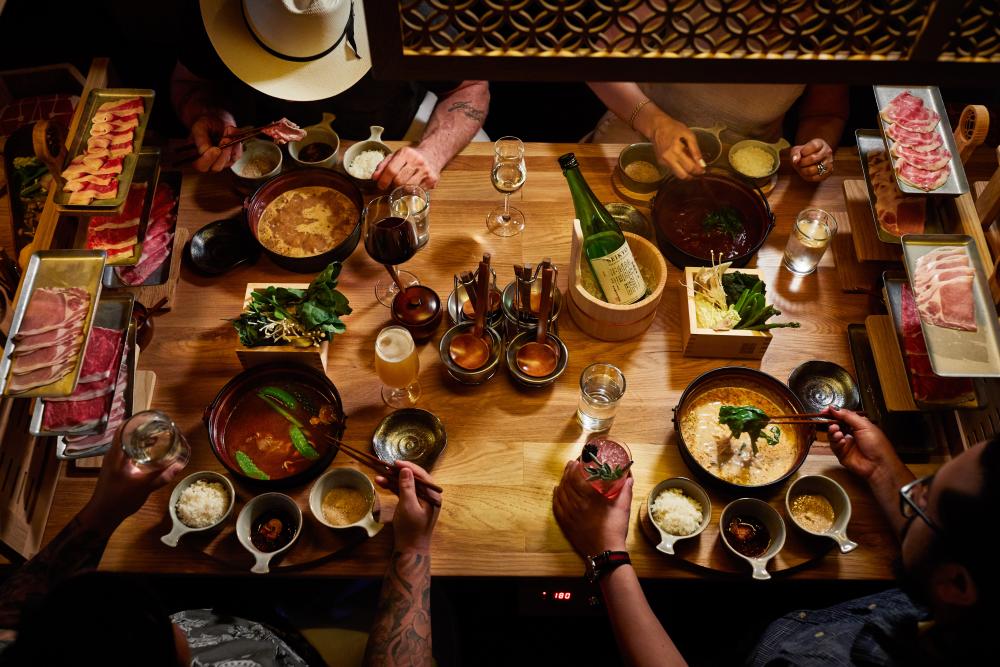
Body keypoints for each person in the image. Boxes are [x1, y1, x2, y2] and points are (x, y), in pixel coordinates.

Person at [552, 408, 998, 666]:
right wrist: (884, 471)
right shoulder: (969, 603)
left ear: (958, 584)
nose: (909, 490)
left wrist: (607, 555)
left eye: (921, 496)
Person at [0, 437, 443, 667]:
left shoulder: (18, 648)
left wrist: (104, 508)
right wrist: (413, 547)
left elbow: (10, 614)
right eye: (160, 620)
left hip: (247, 619)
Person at [173, 0, 489, 190]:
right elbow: (190, 84)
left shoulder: (410, 13)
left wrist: (432, 153)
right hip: (267, 150)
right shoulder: (211, 13)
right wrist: (207, 115)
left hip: (399, 135)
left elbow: (471, 87)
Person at [587, 82, 849, 182]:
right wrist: (656, 123)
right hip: (638, 137)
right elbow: (593, 59)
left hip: (744, 177)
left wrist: (815, 155)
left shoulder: (825, 26)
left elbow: (825, 114)